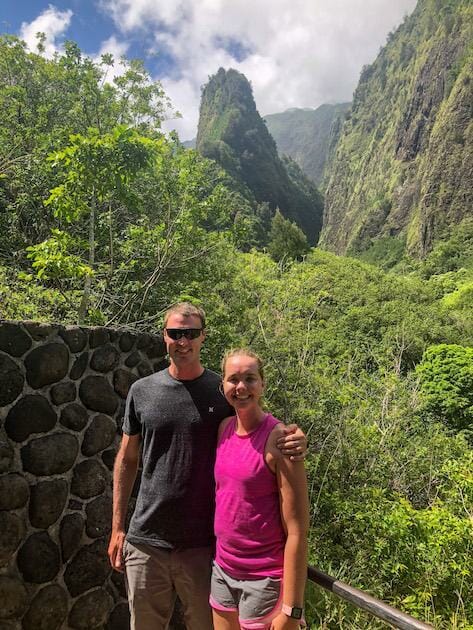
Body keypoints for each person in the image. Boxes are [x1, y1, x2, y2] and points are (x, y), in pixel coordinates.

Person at [108, 303, 307, 630]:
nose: (182, 341)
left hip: (204, 549)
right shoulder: (141, 392)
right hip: (147, 542)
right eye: (175, 333)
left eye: (191, 333)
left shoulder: (223, 395)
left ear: (203, 338)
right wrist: (118, 528)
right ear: (164, 336)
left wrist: (295, 438)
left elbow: (254, 428)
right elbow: (127, 459)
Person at [210, 349, 309, 630]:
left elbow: (298, 530)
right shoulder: (224, 428)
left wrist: (291, 609)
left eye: (250, 379)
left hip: (263, 578)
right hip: (223, 569)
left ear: (262, 384)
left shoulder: (280, 440)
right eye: (233, 379)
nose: (241, 387)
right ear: (223, 387)